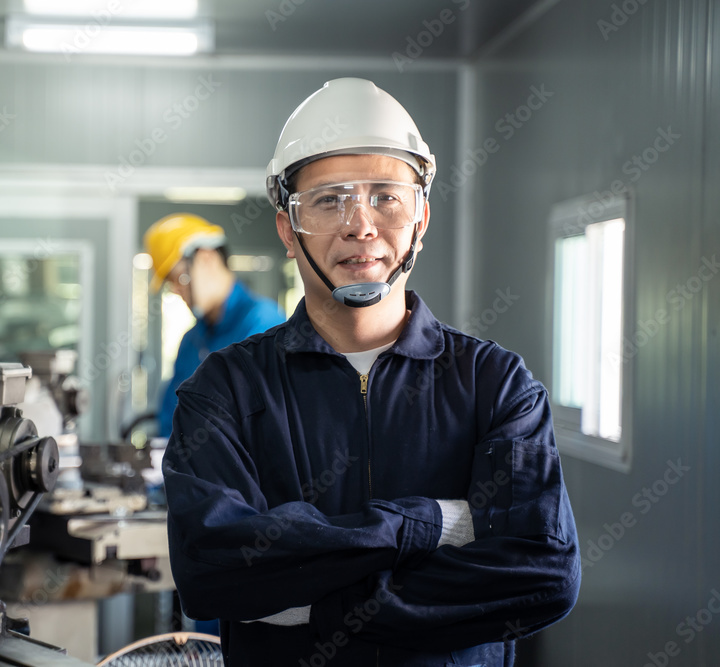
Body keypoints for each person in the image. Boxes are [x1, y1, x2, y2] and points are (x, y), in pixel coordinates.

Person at [163, 78, 581, 666]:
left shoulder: (497, 385)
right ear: (288, 227)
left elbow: (544, 573)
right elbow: (212, 572)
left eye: (386, 196)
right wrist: (433, 525)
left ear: (422, 217)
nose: (361, 225)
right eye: (330, 199)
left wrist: (317, 604)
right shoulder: (224, 392)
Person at [143, 213, 284, 438]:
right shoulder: (192, 339)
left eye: (180, 279)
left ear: (206, 258)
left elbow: (257, 425)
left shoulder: (263, 324)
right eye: (172, 286)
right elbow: (169, 417)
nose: (179, 292)